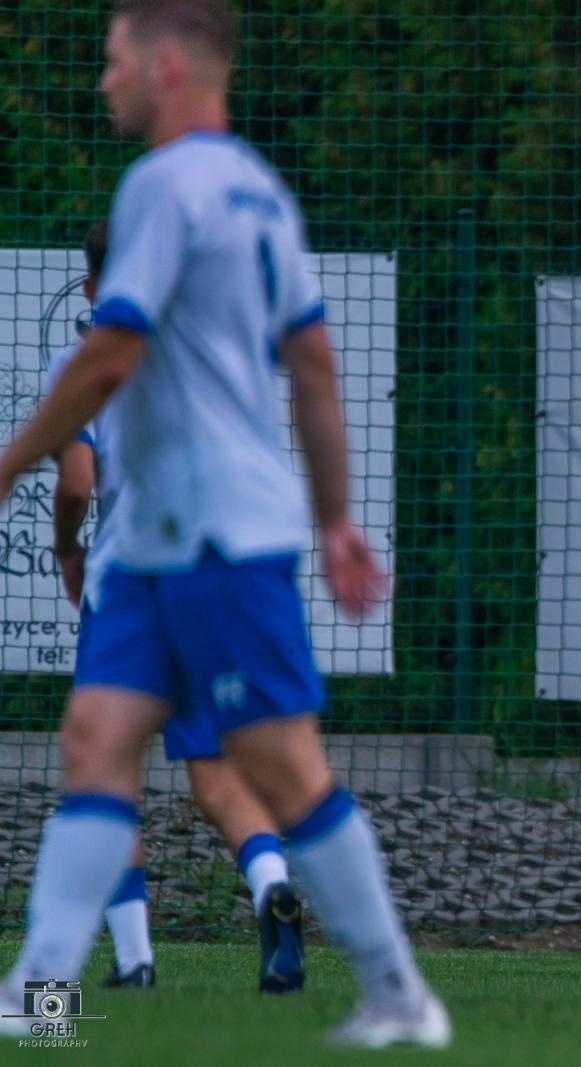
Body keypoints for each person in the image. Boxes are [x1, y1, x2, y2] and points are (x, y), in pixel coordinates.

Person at [0, 0, 449, 1047]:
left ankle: (397, 989)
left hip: (211, 534)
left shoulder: (165, 184)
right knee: (96, 741)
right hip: (162, 538)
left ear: (164, 67)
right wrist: (334, 518)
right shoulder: (259, 191)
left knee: (284, 767)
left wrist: (9, 459)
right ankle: (39, 994)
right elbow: (316, 364)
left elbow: (112, 353)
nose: (99, 80)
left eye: (110, 61)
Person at [48, 219, 305, 994]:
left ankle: (134, 960)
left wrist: (68, 546)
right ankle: (270, 888)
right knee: (219, 776)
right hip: (210, 585)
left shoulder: (86, 363)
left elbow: (76, 485)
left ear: (92, 287)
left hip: (127, 586)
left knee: (106, 772)